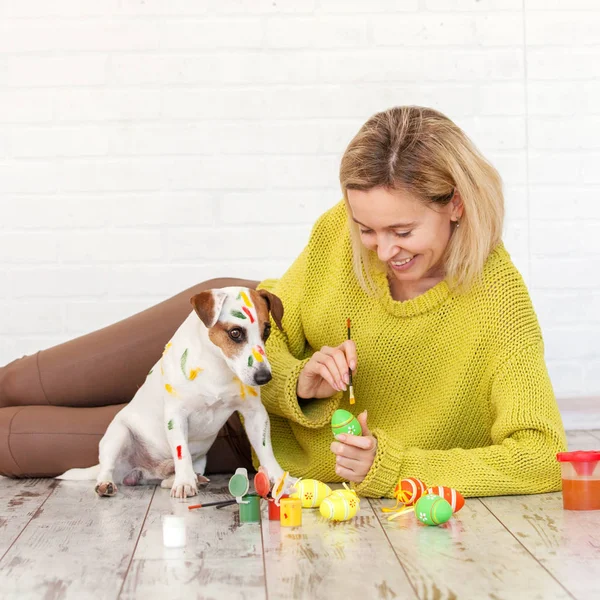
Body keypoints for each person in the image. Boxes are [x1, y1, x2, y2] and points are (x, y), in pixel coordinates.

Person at [0, 106, 566, 498]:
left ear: (457, 205)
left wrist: (394, 468)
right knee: (22, 381)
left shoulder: (497, 303)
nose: (382, 249)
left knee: (14, 444)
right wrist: (299, 383)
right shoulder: (337, 236)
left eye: (402, 230)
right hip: (226, 324)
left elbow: (540, 455)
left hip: (239, 439)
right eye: (366, 229)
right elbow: (282, 329)